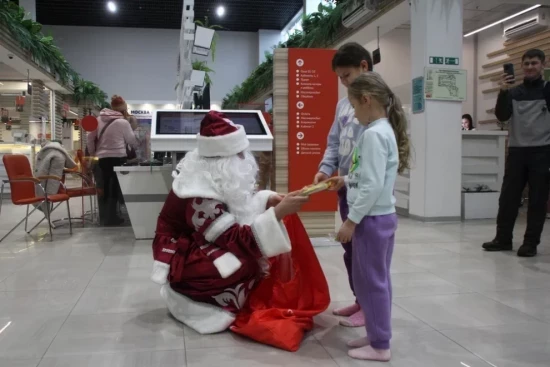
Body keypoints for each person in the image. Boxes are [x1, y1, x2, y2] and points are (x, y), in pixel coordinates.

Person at [150, 111, 329, 349]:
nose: (247, 159)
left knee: (251, 254)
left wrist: (268, 199)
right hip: (186, 260)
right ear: (223, 161)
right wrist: (277, 213)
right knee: (240, 262)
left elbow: (237, 212)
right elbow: (233, 237)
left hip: (202, 240)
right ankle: (202, 303)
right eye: (240, 154)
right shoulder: (199, 194)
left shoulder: (211, 174)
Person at [325, 73, 410, 362]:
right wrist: (346, 180)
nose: (353, 114)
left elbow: (373, 185)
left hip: (372, 220)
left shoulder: (373, 134)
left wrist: (351, 221)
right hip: (380, 218)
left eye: (354, 106)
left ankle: (380, 345)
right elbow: (369, 175)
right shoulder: (381, 131)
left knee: (372, 283)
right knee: (375, 281)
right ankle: (376, 334)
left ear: (366, 100)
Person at [313, 42, 373, 327]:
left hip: (368, 194)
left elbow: (377, 160)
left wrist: (349, 179)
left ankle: (371, 308)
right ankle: (360, 300)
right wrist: (326, 169)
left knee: (366, 255)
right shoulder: (343, 104)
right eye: (340, 78)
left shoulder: (377, 104)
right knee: (351, 252)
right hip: (346, 190)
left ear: (364, 66)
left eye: (347, 75)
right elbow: (334, 142)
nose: (343, 82)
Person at [483, 48, 550, 257]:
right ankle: (502, 239)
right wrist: (502, 91)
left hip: (542, 152)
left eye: (534, 63)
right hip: (517, 152)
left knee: (537, 200)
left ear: (542, 65)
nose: (530, 67)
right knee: (508, 198)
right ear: (521, 67)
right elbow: (502, 116)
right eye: (527, 63)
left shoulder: (548, 91)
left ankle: (530, 243)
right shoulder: (513, 92)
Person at [87, 95, 138, 226]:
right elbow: (132, 141)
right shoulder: (123, 122)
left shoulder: (98, 119)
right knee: (115, 188)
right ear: (123, 109)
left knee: (103, 188)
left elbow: (89, 138)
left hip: (102, 159)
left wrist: (93, 153)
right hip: (118, 158)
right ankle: (113, 217)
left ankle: (104, 218)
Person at [33, 139, 77, 214]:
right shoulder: (60, 152)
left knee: (41, 196)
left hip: (40, 184)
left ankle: (44, 209)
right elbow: (72, 165)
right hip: (53, 186)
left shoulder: (45, 151)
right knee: (46, 196)